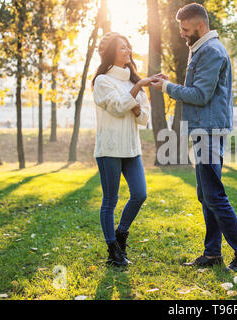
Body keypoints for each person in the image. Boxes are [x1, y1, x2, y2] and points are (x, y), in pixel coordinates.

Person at [151, 3, 237, 271]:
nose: (182, 34)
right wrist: (172, 84)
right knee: (205, 194)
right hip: (204, 129)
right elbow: (199, 89)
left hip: (209, 131)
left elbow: (200, 95)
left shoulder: (210, 51)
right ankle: (212, 254)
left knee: (214, 195)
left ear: (200, 25)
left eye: (186, 29)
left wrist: (167, 88)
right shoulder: (202, 49)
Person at [92, 32, 157, 267]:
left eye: (128, 47)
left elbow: (143, 118)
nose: (127, 51)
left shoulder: (133, 82)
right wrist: (138, 88)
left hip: (132, 149)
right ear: (111, 52)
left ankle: (121, 235)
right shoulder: (102, 81)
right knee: (110, 200)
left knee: (140, 194)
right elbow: (119, 108)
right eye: (122, 48)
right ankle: (113, 251)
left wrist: (137, 105)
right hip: (109, 149)